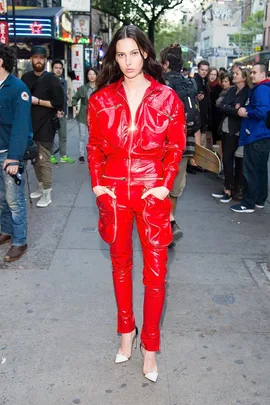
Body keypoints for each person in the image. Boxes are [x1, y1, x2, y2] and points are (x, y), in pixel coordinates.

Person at [87, 25, 185, 382]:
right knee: (120, 267)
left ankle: (151, 346)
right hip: (113, 193)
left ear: (145, 53)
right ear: (115, 57)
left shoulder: (166, 97)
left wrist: (163, 186)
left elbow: (176, 146)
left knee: (156, 273)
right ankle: (126, 333)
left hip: (150, 192)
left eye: (134, 53)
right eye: (120, 54)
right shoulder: (101, 99)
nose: (128, 61)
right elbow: (94, 146)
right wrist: (98, 186)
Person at [160, 44, 200, 243]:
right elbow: (198, 118)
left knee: (158, 186)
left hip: (161, 145)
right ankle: (169, 223)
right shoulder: (190, 84)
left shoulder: (160, 83)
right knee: (174, 189)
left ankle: (163, 225)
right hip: (184, 145)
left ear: (166, 63)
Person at [22, 45, 64, 207]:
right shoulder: (25, 78)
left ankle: (47, 193)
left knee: (43, 160)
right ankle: (40, 186)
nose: (38, 60)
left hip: (46, 125)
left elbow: (59, 103)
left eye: (41, 58)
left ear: (45, 60)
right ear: (31, 59)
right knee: (34, 160)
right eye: (35, 57)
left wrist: (38, 101)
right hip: (30, 126)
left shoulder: (52, 79)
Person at [0, 44, 31, 262]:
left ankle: (19, 241)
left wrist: (14, 158)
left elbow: (21, 126)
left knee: (14, 200)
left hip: (10, 154)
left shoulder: (18, 88)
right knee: (2, 198)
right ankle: (6, 231)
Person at [231, 63, 270, 213]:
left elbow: (262, 112)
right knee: (260, 170)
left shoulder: (261, 90)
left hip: (256, 135)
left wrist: (245, 112)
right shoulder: (264, 89)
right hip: (262, 135)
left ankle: (249, 203)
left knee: (251, 170)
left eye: (254, 72)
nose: (251, 75)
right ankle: (259, 199)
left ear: (263, 74)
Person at [212, 64, 250, 203]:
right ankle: (227, 188)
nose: (233, 76)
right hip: (227, 128)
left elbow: (240, 112)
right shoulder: (231, 90)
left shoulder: (247, 92)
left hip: (238, 130)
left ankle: (233, 190)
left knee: (237, 161)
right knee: (227, 159)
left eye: (236, 74)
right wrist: (233, 109)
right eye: (233, 74)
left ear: (244, 77)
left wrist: (231, 108)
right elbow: (222, 106)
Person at [50, 59, 75, 164]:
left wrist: (69, 107)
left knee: (63, 135)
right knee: (50, 136)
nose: (58, 70)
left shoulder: (65, 81)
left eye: (60, 68)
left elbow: (67, 96)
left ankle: (63, 155)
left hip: (62, 113)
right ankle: (50, 155)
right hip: (51, 113)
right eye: (56, 68)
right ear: (52, 69)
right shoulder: (49, 80)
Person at [72, 68, 97, 163]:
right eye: (89, 74)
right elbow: (75, 98)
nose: (91, 76)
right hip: (83, 115)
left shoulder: (100, 87)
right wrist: (74, 106)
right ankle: (82, 155)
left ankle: (93, 153)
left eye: (93, 74)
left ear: (96, 75)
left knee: (94, 136)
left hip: (95, 116)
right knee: (82, 136)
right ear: (87, 76)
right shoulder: (83, 88)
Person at [192, 60, 210, 147]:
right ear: (198, 69)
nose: (204, 72)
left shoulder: (205, 81)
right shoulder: (194, 81)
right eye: (202, 69)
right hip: (197, 116)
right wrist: (196, 98)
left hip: (203, 115)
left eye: (206, 70)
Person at [208, 67, 222, 148]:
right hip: (207, 116)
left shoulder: (218, 88)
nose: (213, 76)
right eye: (211, 74)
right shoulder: (205, 85)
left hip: (216, 117)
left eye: (215, 75)